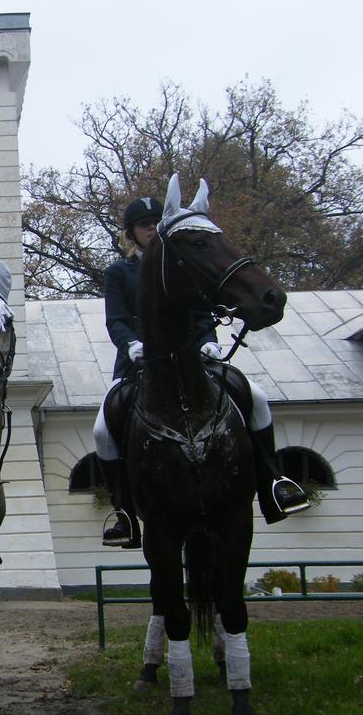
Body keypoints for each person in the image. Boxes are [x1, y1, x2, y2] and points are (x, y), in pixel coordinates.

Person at [92, 196, 309, 549]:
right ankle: (125, 512)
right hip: (138, 362)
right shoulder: (120, 272)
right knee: (103, 428)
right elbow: (116, 319)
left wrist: (209, 339)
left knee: (255, 397)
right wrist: (132, 345)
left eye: (154, 222)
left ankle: (273, 482)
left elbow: (204, 307)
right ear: (131, 232)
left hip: (195, 355)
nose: (149, 227)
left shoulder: (184, 261)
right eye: (142, 223)